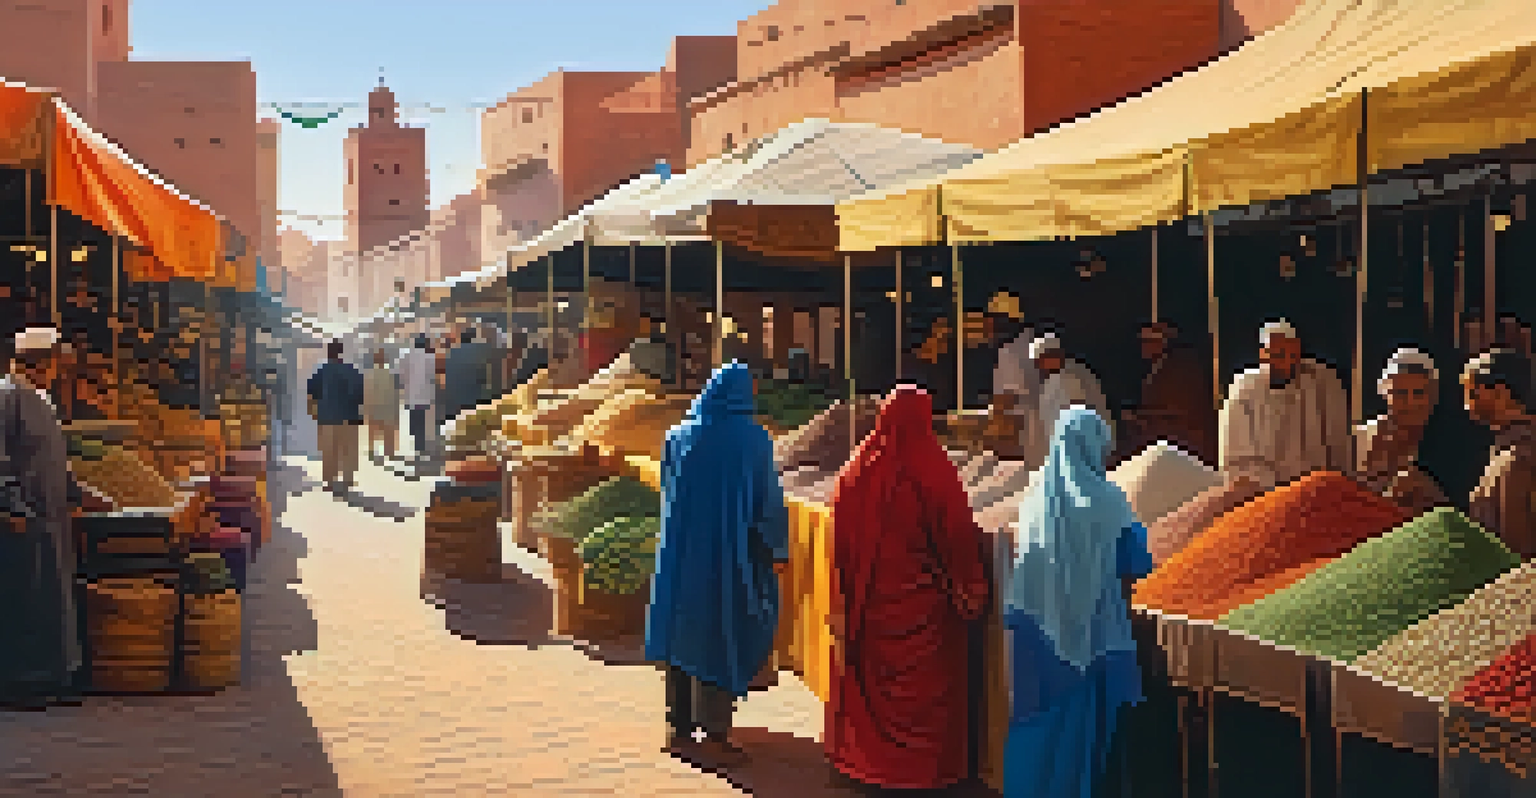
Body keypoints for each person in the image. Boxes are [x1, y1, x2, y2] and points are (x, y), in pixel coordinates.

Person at [825, 384, 991, 790]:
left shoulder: (854, 472)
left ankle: (868, 765)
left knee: (872, 691)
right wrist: (972, 590)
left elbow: (838, 544)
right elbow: (956, 539)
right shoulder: (935, 472)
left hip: (869, 610)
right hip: (924, 615)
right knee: (926, 698)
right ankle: (919, 772)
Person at [646, 361, 789, 768]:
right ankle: (714, 733)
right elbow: (768, 502)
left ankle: (678, 728)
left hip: (679, 553)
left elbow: (666, 489)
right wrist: (777, 550)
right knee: (720, 629)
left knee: (682, 632)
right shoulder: (753, 440)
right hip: (728, 554)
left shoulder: (677, 436)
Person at [1005, 405, 1153, 798]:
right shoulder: (1107, 500)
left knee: (1033, 721)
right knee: (1079, 730)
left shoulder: (1035, 499)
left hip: (1033, 633)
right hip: (1088, 637)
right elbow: (1138, 561)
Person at [0, 327, 83, 710]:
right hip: (25, 516)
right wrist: (11, 507)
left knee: (51, 596)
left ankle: (53, 676)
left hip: (50, 514)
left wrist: (75, 493)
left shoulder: (40, 399)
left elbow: (54, 459)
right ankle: (20, 683)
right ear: (40, 363)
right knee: (24, 599)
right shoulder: (7, 398)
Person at [1218, 320, 1351, 492]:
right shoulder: (1245, 389)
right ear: (1263, 354)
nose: (1288, 363)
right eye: (1280, 355)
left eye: (1294, 356)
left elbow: (1337, 446)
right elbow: (1237, 459)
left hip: (1314, 491)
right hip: (1264, 494)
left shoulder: (1318, 383)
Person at [1355, 348, 1449, 514]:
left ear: (1433, 396)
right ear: (1385, 394)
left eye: (1419, 393)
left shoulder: (1448, 445)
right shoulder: (1361, 439)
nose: (1410, 402)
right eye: (1400, 393)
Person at [1462, 348, 1536, 558]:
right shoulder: (1507, 450)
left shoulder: (1518, 457)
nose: (1467, 405)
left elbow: (1518, 548)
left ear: (1500, 393)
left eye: (1474, 394)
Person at [1120, 321, 1216, 466]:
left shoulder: (1182, 367)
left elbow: (1181, 409)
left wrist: (1141, 415)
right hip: (1167, 442)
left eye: (1148, 342)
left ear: (1161, 343)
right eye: (1142, 342)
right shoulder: (1158, 367)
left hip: (1184, 445)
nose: (1143, 348)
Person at [1033, 333, 1113, 472]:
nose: (1039, 366)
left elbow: (1077, 414)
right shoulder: (1056, 377)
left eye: (1042, 360)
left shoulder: (1070, 377)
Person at [308, 339, 364, 492]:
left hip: (328, 417)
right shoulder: (352, 370)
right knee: (348, 449)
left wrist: (313, 412)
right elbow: (362, 393)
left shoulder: (322, 371)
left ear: (328, 353)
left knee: (329, 450)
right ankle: (347, 479)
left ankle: (330, 481)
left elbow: (311, 393)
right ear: (342, 352)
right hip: (350, 416)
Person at [988, 295, 1038, 461]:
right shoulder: (1034, 342)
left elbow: (1008, 397)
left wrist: (992, 428)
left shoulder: (1009, 352)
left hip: (1017, 431)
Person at [396, 335, 436, 461]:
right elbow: (432, 376)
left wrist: (403, 386)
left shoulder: (406, 356)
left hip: (411, 394)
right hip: (425, 394)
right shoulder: (430, 357)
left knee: (415, 418)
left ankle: (418, 444)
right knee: (423, 421)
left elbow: (401, 375)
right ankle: (421, 445)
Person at [364, 349, 401, 463]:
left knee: (372, 430)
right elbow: (395, 393)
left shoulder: (369, 375)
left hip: (375, 406)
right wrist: (396, 412)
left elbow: (367, 392)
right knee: (388, 430)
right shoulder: (391, 374)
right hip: (387, 406)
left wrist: (365, 409)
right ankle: (390, 452)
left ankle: (371, 450)